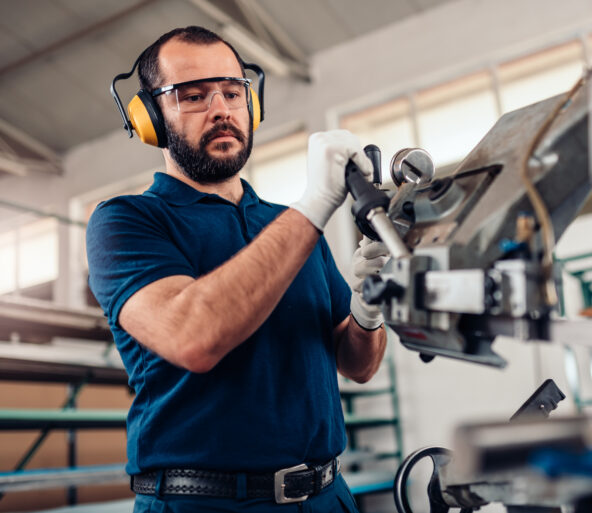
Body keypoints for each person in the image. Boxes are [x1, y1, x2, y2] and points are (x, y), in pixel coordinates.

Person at [86, 26, 389, 513]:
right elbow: (194, 336)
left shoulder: (286, 226)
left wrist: (370, 306)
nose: (222, 109)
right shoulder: (125, 221)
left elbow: (359, 365)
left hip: (328, 497)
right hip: (204, 505)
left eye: (232, 92)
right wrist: (314, 205)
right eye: (193, 96)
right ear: (148, 118)